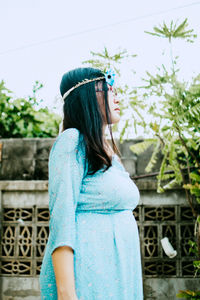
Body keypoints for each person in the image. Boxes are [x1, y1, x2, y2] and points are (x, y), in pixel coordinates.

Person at [39, 67, 143, 300]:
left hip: (119, 276)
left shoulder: (107, 151)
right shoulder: (72, 142)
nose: (117, 96)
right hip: (89, 279)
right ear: (87, 96)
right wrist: (67, 295)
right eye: (108, 89)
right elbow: (61, 223)